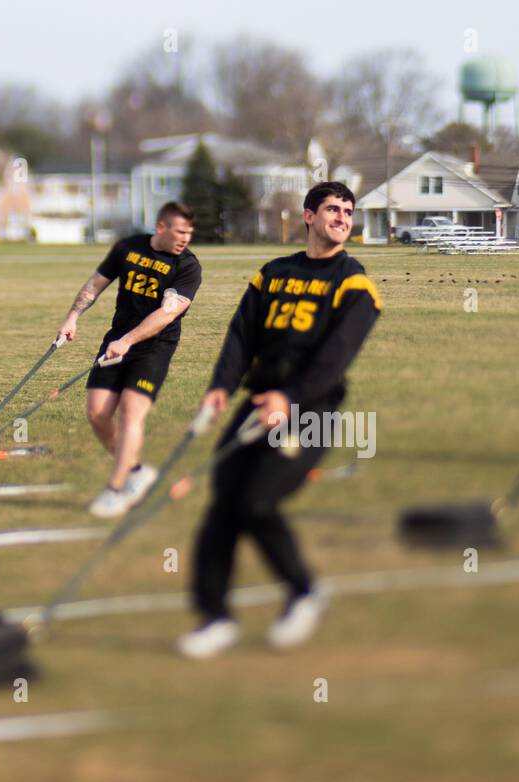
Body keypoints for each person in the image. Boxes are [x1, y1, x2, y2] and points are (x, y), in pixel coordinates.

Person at [177, 181, 381, 660]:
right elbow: (240, 336)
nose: (342, 218)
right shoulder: (273, 273)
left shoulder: (355, 284)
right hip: (258, 404)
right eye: (332, 209)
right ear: (308, 216)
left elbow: (336, 357)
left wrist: (289, 398)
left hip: (312, 412)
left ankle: (303, 592)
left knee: (259, 501)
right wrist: (220, 388)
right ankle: (215, 618)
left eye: (348, 212)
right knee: (223, 504)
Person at [57, 202, 201, 517]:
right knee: (97, 413)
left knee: (130, 412)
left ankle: (116, 488)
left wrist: (128, 341)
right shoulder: (128, 247)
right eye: (180, 231)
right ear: (161, 227)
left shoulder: (188, 266)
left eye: (189, 233)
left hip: (154, 345)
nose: (185, 239)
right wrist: (72, 318)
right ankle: (136, 471)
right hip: (116, 339)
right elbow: (96, 284)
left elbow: (168, 313)